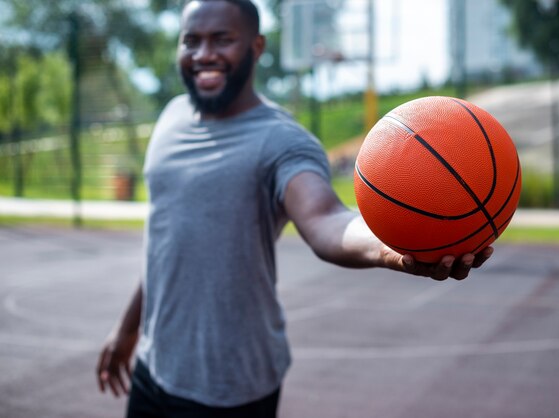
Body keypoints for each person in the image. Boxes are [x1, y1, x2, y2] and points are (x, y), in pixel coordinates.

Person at [96, 0, 493, 417]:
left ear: (256, 46)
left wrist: (387, 247)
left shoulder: (281, 141)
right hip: (153, 367)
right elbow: (165, 244)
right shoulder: (172, 116)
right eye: (190, 41)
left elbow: (325, 219)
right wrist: (127, 329)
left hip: (232, 386)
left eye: (222, 39)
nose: (203, 54)